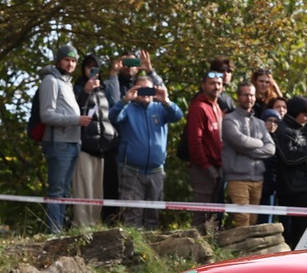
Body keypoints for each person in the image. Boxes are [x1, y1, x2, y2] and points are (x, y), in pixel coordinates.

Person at [111, 73, 183, 231]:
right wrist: (125, 100)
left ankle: (149, 253)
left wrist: (165, 100)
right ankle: (131, 253)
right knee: (132, 215)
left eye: (148, 90)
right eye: (141, 90)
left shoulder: (160, 108)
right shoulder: (128, 108)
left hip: (156, 172)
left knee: (153, 215)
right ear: (135, 91)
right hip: (131, 171)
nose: (145, 94)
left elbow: (178, 115)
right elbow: (113, 117)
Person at [36, 44, 89, 234]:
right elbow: (47, 115)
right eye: (67, 59)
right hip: (58, 144)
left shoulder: (66, 83)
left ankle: (58, 232)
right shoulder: (50, 81)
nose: (70, 63)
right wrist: (77, 120)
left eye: (74, 61)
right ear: (59, 61)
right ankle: (54, 233)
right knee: (57, 192)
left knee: (65, 192)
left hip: (73, 143)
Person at [72, 54, 117, 228]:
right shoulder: (77, 87)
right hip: (84, 146)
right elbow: (74, 111)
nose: (91, 69)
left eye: (95, 66)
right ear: (83, 69)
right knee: (84, 191)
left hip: (103, 148)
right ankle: (81, 228)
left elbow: (112, 112)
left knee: (98, 193)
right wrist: (86, 91)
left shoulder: (104, 89)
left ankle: (94, 226)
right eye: (88, 66)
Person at [221, 81, 274, 228]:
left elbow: (271, 149)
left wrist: (249, 149)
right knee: (242, 220)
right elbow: (239, 141)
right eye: (245, 95)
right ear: (238, 97)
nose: (249, 98)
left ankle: (249, 251)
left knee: (252, 221)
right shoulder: (229, 120)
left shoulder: (259, 123)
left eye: (251, 95)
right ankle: (241, 251)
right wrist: (259, 142)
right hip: (237, 178)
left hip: (258, 179)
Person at [275, 96, 307, 248]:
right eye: (305, 115)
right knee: (294, 230)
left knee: (306, 227)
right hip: (291, 189)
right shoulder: (284, 131)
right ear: (296, 112)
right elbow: (289, 157)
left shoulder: (297, 131)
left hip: (302, 187)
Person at [186, 69, 226, 233]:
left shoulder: (217, 107)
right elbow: (195, 140)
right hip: (203, 167)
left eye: (218, 84)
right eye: (211, 83)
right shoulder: (199, 107)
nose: (215, 87)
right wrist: (205, 165)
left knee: (214, 212)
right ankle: (197, 248)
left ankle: (211, 246)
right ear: (203, 85)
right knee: (202, 211)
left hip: (218, 166)